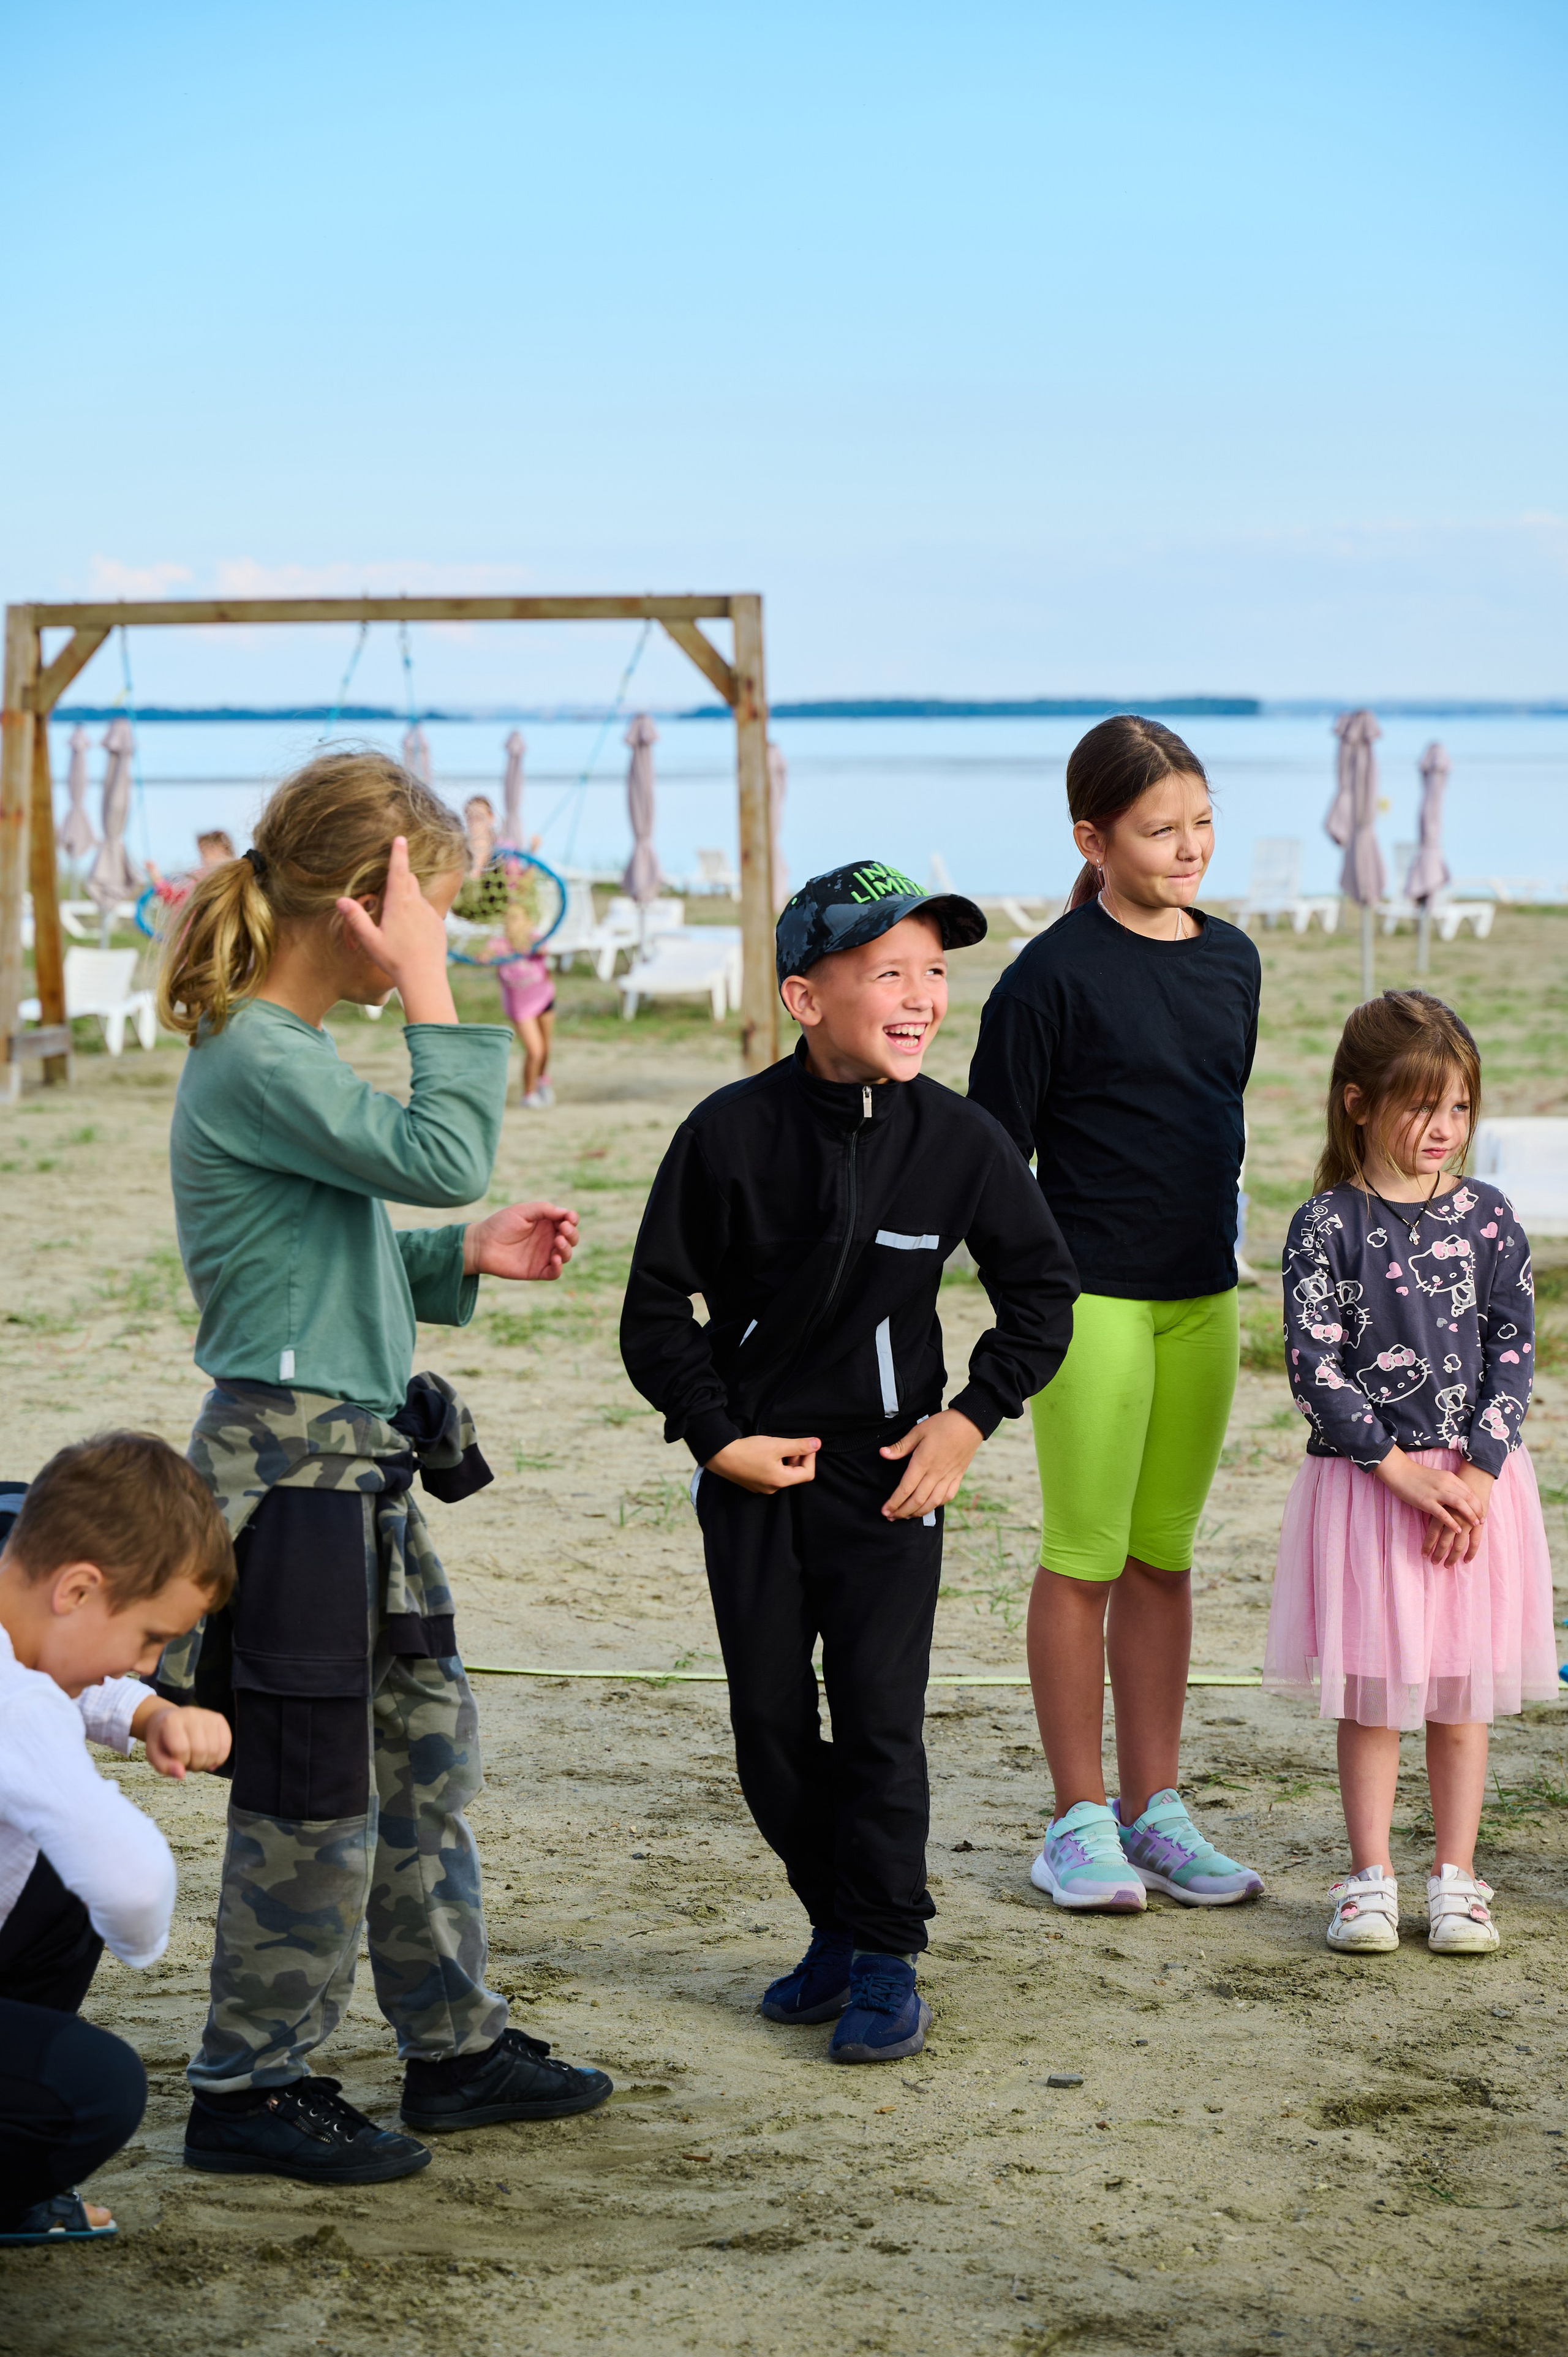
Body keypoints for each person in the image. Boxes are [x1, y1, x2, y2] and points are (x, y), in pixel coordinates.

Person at [156, 749, 611, 2187]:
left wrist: (452, 1260)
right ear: (366, 903)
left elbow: (323, 1249)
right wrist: (430, 983)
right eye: (427, 910)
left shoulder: (284, 1059)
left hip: (352, 1472)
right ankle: (249, 2080)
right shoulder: (257, 1053)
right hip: (289, 1483)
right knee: (308, 1794)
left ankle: (452, 2045)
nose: (445, 937)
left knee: (420, 1766)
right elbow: (439, 1149)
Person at [620, 861, 1077, 2062]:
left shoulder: (960, 1140)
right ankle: (831, 1921)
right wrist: (717, 1437)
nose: (922, 994)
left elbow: (1039, 1295)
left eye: (934, 970)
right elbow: (655, 1311)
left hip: (889, 1478)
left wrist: (968, 1419)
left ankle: (884, 1956)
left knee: (879, 1723)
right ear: (802, 997)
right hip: (752, 1481)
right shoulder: (726, 1135)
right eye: (888, 972)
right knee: (769, 1728)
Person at [967, 715, 1265, 1914]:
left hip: (1202, 1302)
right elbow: (992, 1160)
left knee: (1162, 1557)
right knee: (1083, 1555)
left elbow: (1217, 1122)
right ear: (1091, 839)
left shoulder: (1233, 959)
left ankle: (1156, 1811)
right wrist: (1031, 1307)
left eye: (1199, 822)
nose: (1186, 846)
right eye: (1159, 830)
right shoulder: (1046, 977)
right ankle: (1075, 1821)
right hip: (1088, 1303)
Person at [1264, 991, 1555, 1955]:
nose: (1443, 1129)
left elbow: (1516, 1339)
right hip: (1371, 1491)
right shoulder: (1324, 1225)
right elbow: (1315, 1366)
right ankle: (1371, 1877)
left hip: (1475, 1493)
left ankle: (1457, 1879)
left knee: (1461, 1695)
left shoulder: (1489, 1216)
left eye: (1460, 1108)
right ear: (1358, 1102)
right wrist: (1398, 1471)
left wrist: (1476, 1472)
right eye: (1422, 1107)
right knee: (1377, 1694)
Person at [0, 1435, 234, 2247]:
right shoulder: (18, 1700)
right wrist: (146, 1943)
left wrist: (149, 1714)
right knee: (93, 2087)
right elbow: (133, 1885)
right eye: (149, 1638)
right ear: (76, 1588)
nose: (149, 1662)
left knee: (51, 1871)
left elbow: (69, 1670)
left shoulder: (19, 1598)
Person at [488, 898, 556, 1108]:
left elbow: (543, 950)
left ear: (528, 921)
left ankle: (542, 1079)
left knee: (545, 1049)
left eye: (516, 919)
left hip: (544, 999)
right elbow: (487, 954)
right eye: (507, 920)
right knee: (534, 1051)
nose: (511, 924)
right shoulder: (499, 945)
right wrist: (484, 957)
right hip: (520, 1009)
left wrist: (531, 946)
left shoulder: (534, 940)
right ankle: (529, 1094)